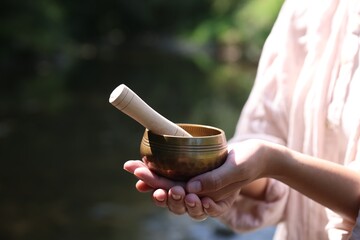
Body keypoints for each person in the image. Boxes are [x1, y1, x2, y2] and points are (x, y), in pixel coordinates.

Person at [123, 0, 360, 239]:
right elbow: (262, 143)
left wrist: (276, 163)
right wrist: (228, 178)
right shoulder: (305, 7)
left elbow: (269, 159)